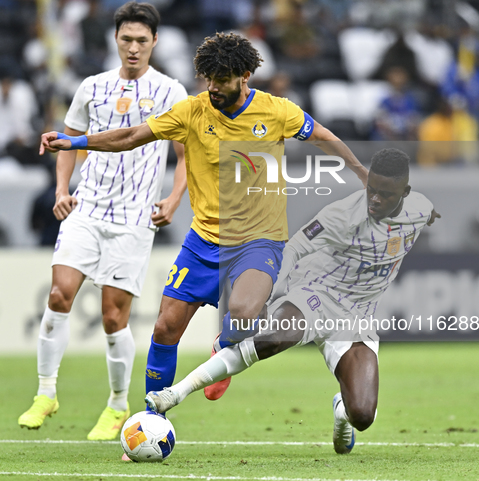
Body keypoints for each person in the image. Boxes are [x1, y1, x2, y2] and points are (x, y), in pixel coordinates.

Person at [39, 32, 368, 407]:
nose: (213, 87)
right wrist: (75, 142)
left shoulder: (277, 111)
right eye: (208, 78)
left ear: (245, 76)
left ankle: (223, 348)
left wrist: (361, 172)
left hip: (259, 240)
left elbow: (323, 137)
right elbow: (132, 135)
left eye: (222, 79)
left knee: (244, 316)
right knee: (164, 328)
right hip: (203, 241)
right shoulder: (192, 111)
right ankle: (152, 415)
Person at [144, 148, 441, 456]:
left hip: (357, 319)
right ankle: (175, 393)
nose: (375, 200)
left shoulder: (420, 209)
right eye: (371, 190)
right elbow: (294, 248)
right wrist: (267, 291)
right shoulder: (341, 215)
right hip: (317, 295)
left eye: (386, 195)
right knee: (272, 339)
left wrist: (432, 216)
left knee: (363, 416)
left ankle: (342, 410)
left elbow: (427, 212)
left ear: (405, 192)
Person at [18, 2, 188, 443]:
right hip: (87, 209)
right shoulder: (92, 87)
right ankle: (46, 393)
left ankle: (116, 405)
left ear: (155, 42)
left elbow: (186, 155)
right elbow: (68, 142)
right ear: (115, 40)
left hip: (134, 218)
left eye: (142, 40)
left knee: (114, 317)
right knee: (59, 294)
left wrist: (173, 198)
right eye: (126, 39)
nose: (133, 48)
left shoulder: (171, 92)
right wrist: (61, 189)